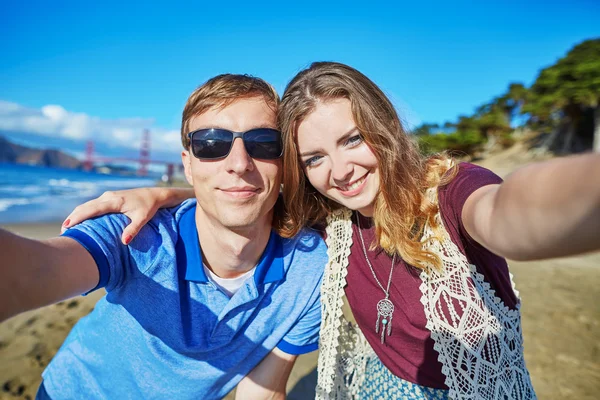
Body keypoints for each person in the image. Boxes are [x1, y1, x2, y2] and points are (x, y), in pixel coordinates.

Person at [65, 62, 600, 399]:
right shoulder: (330, 220)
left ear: (384, 127)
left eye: (352, 140)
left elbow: (512, 209)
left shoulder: (453, 194)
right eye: (314, 157)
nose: (340, 171)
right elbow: (237, 196)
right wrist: (164, 193)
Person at [0, 74, 329, 400]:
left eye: (263, 143)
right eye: (211, 144)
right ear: (188, 166)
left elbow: (263, 391)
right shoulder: (136, 232)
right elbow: (32, 270)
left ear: (284, 162)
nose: (239, 164)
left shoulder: (310, 269)